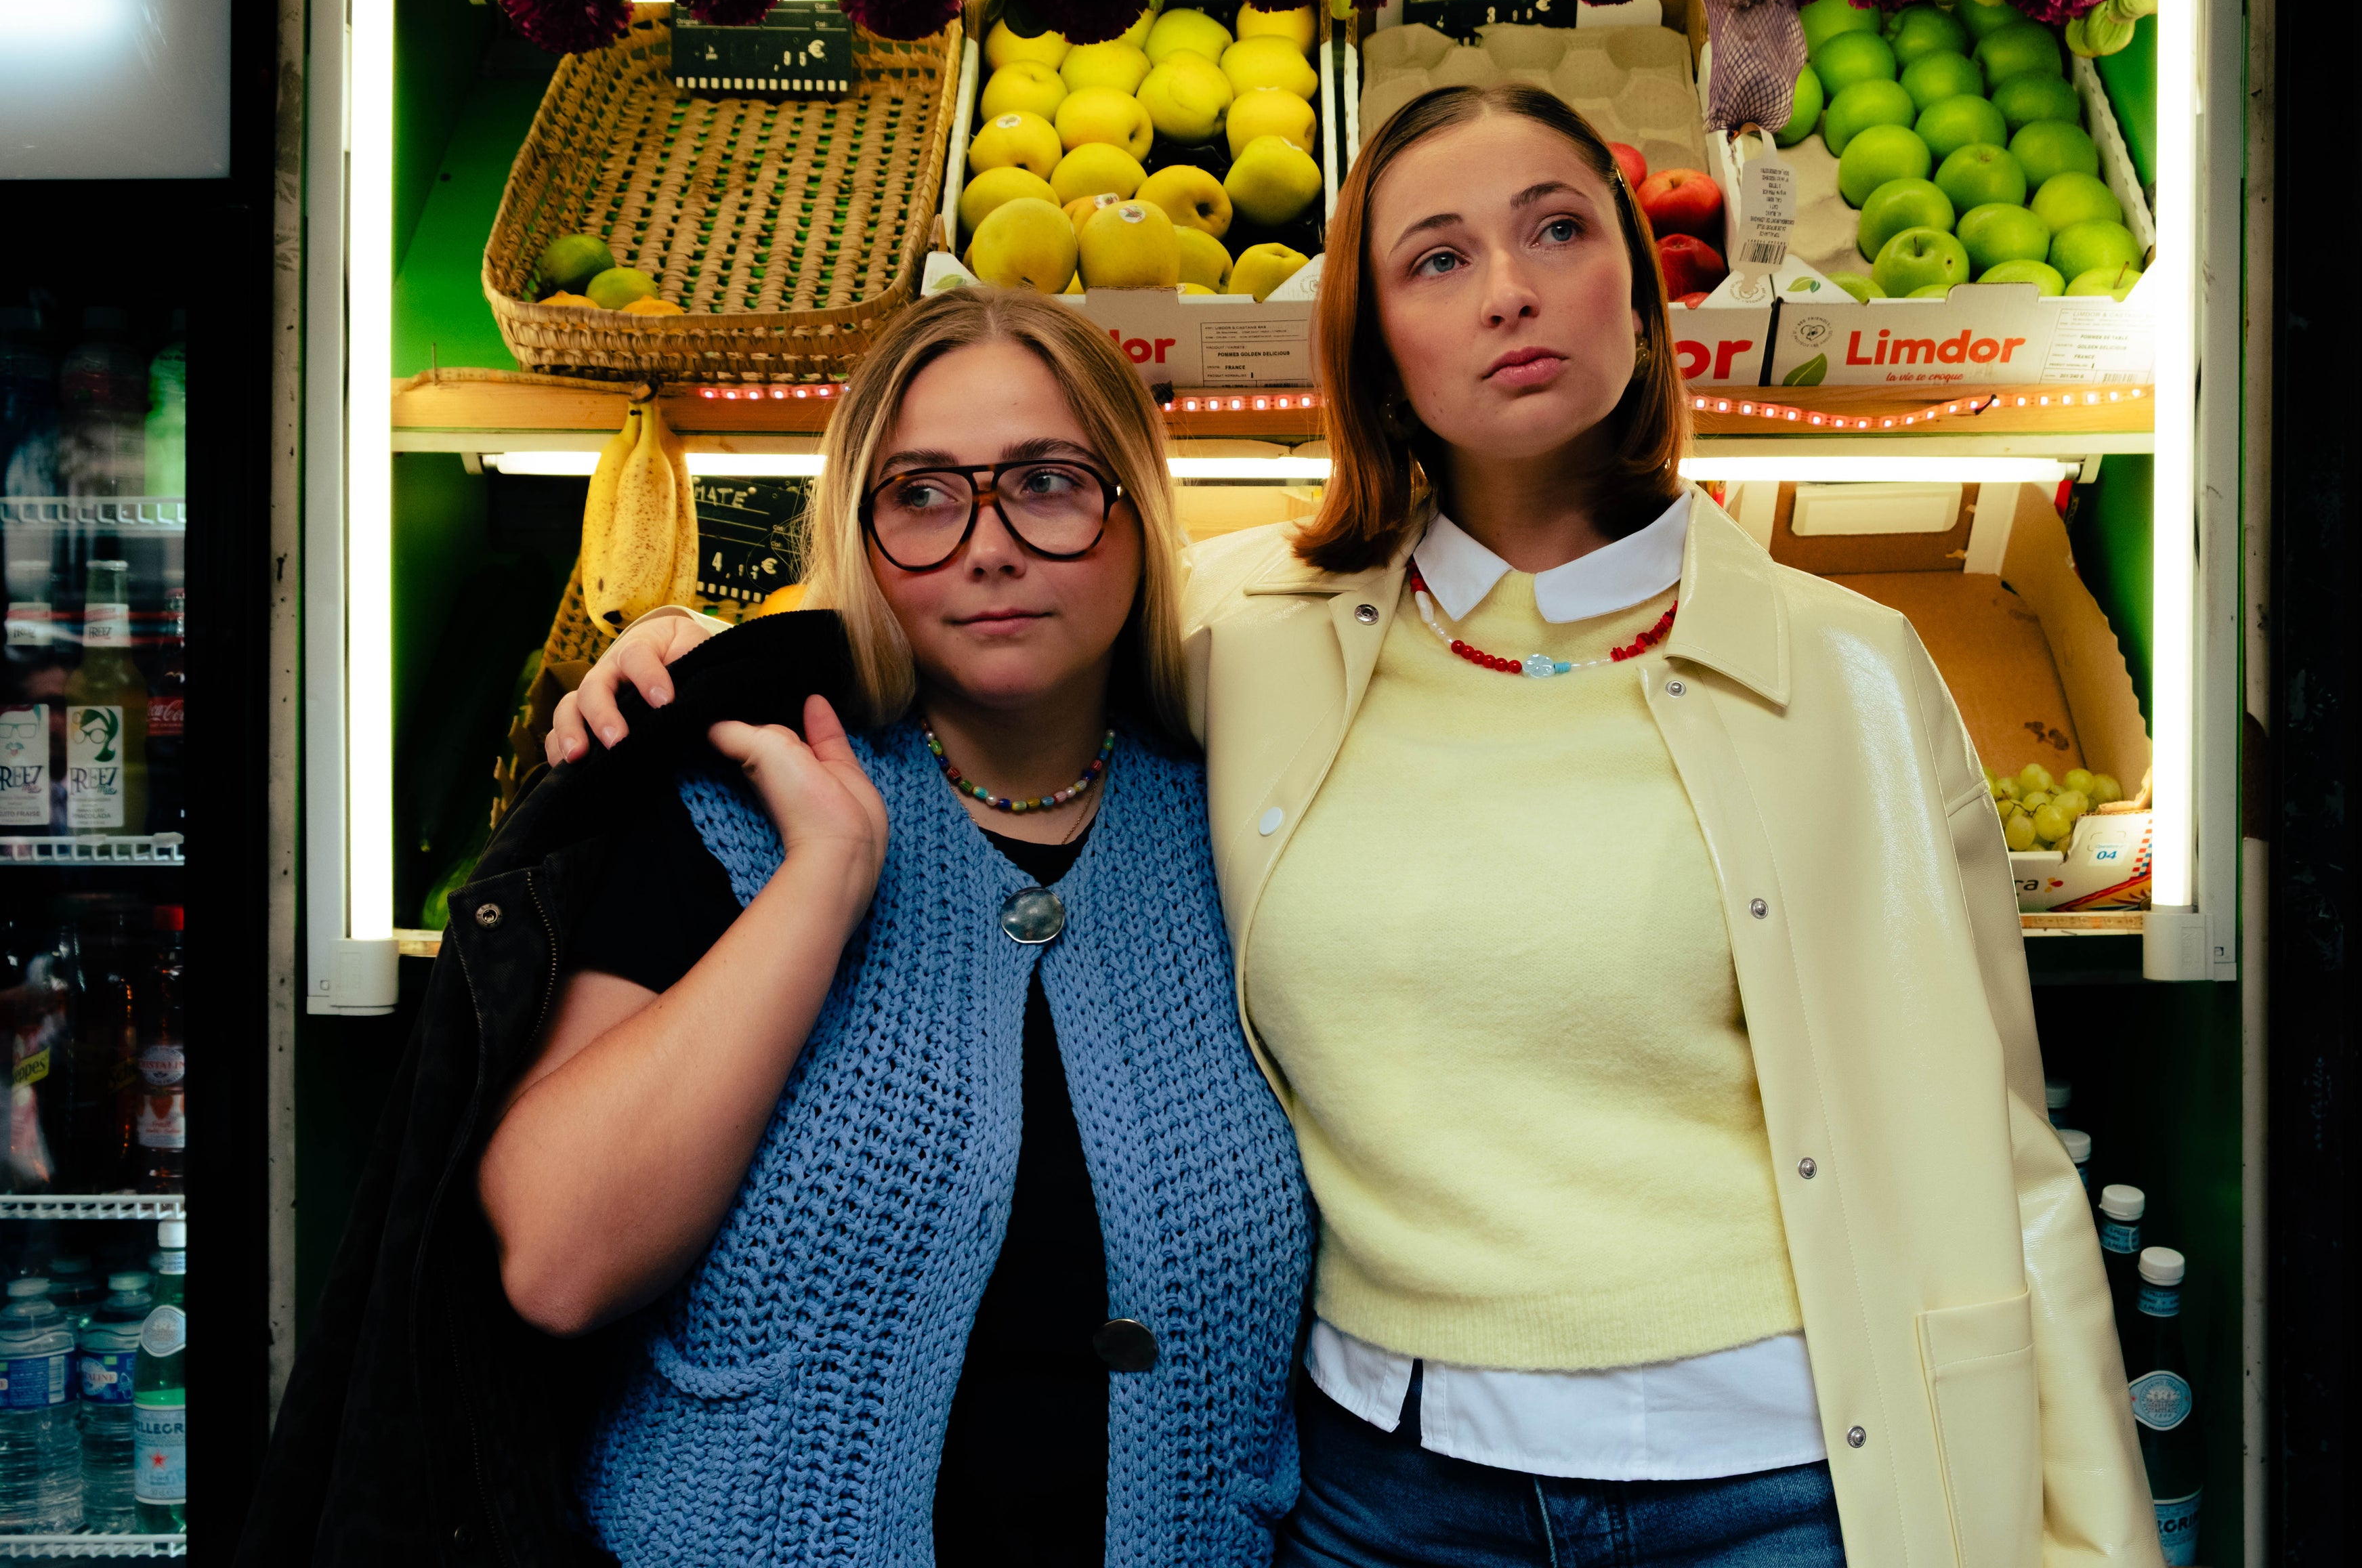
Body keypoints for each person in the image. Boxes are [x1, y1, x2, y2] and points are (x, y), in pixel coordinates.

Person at [557, 87, 2157, 1568]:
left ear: (1641, 288)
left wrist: (2086, 1536)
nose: (1510, 292)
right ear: (1374, 340)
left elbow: (1998, 1153)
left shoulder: (1847, 668)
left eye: (1558, 229)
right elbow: (999, 609)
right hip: (1388, 1494)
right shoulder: (1257, 634)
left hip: (1779, 1480)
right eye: (1438, 258)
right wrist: (706, 650)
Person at [484, 285, 1311, 1564]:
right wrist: (822, 876)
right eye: (921, 496)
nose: (987, 546)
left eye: (1047, 483)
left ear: (1140, 514)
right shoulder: (725, 812)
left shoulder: (1250, 820)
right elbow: (559, 1258)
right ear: (858, 538)